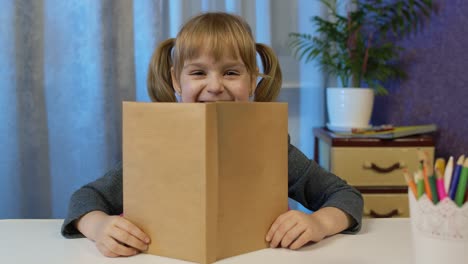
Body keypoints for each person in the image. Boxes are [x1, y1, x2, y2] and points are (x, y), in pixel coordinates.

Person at [61, 12, 363, 258]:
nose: (215, 86)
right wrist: (99, 226)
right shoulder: (155, 146)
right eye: (198, 73)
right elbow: (85, 198)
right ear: (175, 81)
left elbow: (346, 196)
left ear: (253, 81)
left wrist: (319, 223)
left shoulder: (269, 145)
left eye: (231, 72)